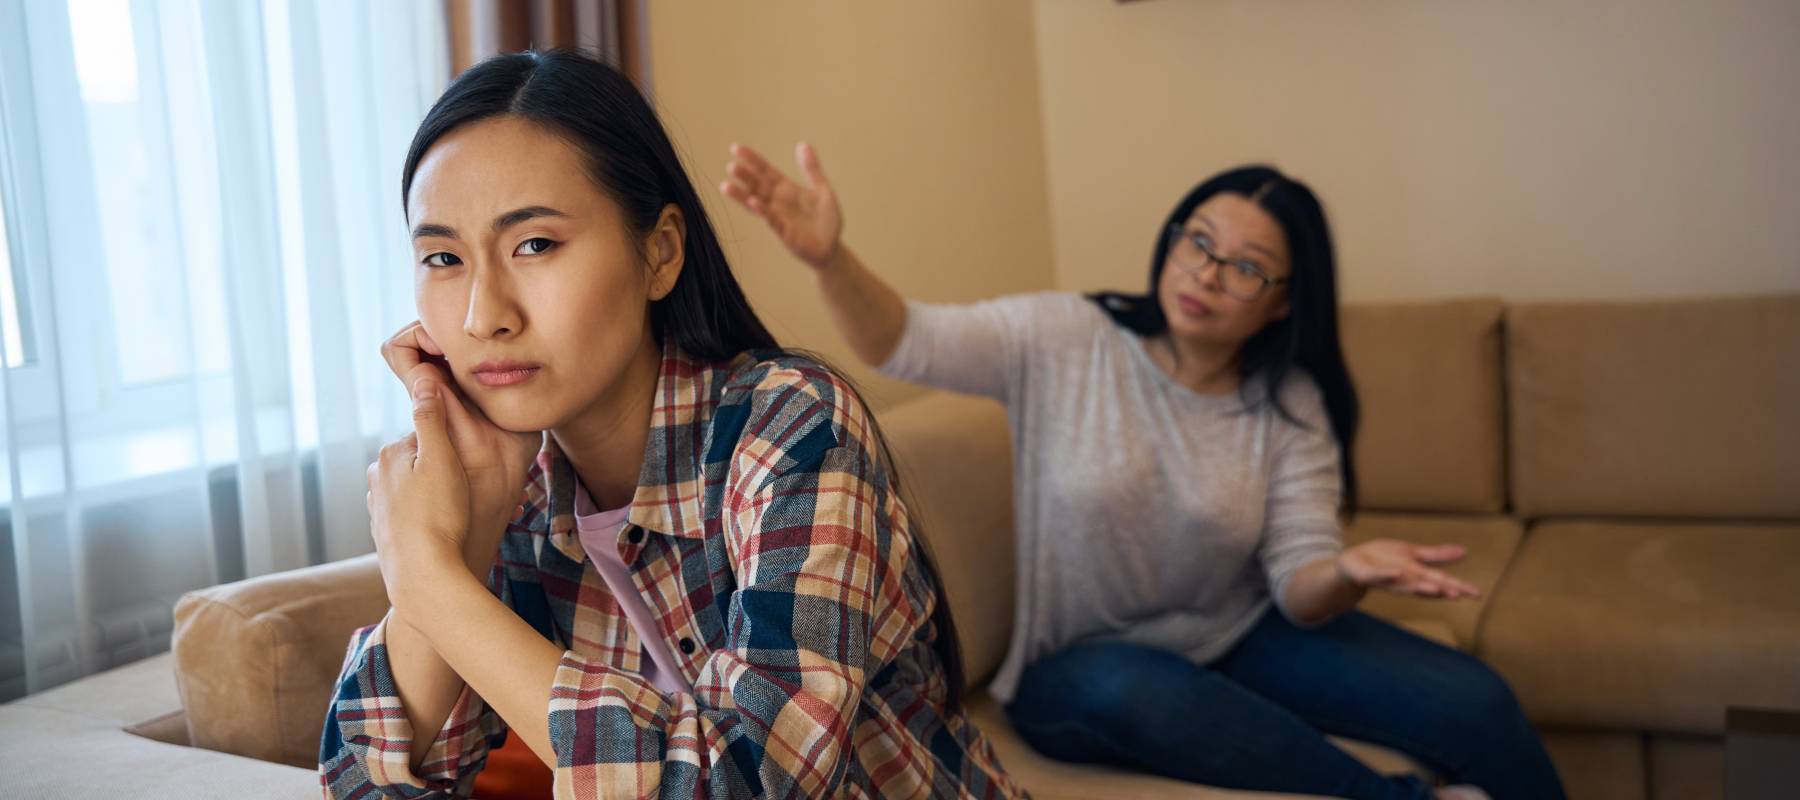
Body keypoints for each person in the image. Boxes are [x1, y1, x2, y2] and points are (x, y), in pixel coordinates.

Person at [720, 143, 1566, 800]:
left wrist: (1343, 570)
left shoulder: (1289, 400)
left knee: (1473, 700)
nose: (1205, 271)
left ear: (1280, 301)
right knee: (1137, 692)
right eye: (1198, 240)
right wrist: (830, 259)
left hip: (1241, 633)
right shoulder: (1069, 337)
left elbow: (1299, 582)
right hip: (1084, 664)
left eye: (1245, 266)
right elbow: (900, 339)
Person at [318, 50, 1027, 800]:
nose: (483, 315)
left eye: (535, 245)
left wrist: (430, 581)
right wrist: (477, 521)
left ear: (659, 253)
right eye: (442, 257)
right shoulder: (513, 489)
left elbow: (752, 781)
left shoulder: (790, 425)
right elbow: (357, 786)